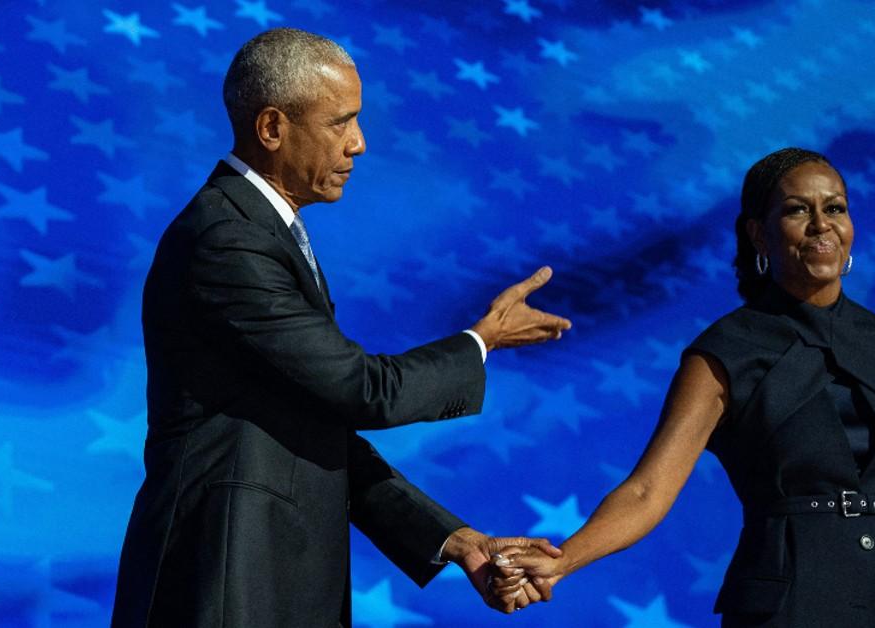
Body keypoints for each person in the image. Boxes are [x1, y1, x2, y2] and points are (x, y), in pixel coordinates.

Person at [111, 28, 572, 627]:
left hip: (271, 583)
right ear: (272, 128)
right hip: (226, 584)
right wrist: (482, 341)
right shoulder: (227, 239)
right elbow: (362, 390)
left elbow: (314, 430)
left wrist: (457, 540)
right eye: (340, 122)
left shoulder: (261, 232)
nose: (359, 144)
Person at [493, 148, 875, 626]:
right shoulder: (725, 352)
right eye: (799, 210)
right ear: (760, 234)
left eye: (836, 208)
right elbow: (648, 491)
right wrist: (564, 560)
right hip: (793, 607)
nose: (822, 225)